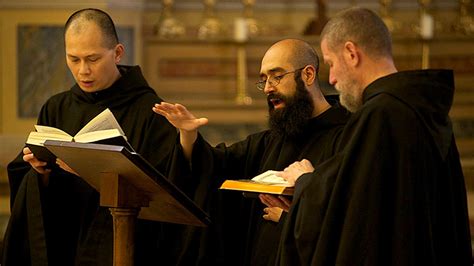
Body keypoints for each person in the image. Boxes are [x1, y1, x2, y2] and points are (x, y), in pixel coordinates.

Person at [276, 7, 472, 265]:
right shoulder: (423, 107)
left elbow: (357, 217)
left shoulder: (379, 114)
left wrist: (305, 182)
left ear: (351, 52)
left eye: (332, 64)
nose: (332, 78)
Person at [2, 8, 178, 265]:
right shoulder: (57, 107)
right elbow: (27, 182)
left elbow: (164, 188)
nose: (83, 70)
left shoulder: (150, 111)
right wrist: (40, 172)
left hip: (119, 242)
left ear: (117, 53)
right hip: (65, 237)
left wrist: (93, 171)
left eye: (93, 59)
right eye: (73, 59)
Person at [153, 38, 349, 265]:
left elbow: (349, 214)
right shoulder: (271, 140)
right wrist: (188, 134)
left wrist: (291, 219)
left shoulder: (347, 136)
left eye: (276, 76)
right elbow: (214, 166)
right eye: (264, 80)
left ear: (308, 75)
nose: (267, 88)